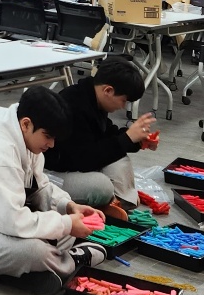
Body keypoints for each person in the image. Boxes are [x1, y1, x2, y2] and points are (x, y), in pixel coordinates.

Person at [0, 87, 109, 295]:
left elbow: (40, 187)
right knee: (35, 251)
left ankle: (33, 268)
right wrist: (67, 224)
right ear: (26, 124)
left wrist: (68, 207)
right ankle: (72, 261)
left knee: (59, 228)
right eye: (48, 136)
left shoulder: (26, 139)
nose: (51, 144)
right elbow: (12, 222)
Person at [42, 59, 152, 219]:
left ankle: (116, 202)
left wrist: (137, 140)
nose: (123, 106)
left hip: (83, 165)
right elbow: (83, 160)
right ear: (108, 90)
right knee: (102, 186)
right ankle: (109, 201)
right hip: (54, 173)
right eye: (124, 100)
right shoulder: (73, 105)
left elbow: (108, 135)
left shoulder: (94, 99)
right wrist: (127, 138)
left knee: (121, 159)